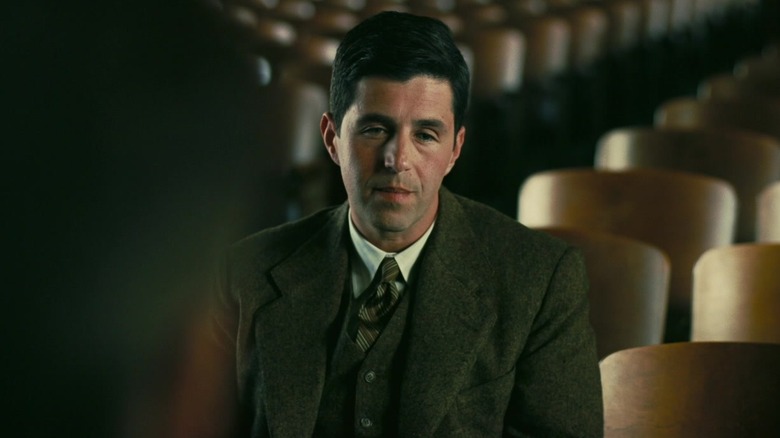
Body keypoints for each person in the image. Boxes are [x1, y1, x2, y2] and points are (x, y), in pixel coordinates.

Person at [212, 11, 603, 437]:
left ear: (455, 150)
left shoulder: (541, 281)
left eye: (425, 135)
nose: (397, 160)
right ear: (332, 139)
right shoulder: (244, 273)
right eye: (375, 129)